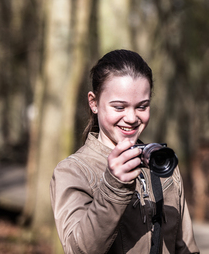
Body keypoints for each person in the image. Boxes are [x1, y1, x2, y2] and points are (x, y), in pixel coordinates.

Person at [50, 49, 200, 254]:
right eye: (119, 107)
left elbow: (186, 248)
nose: (131, 118)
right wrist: (114, 187)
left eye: (142, 106)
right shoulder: (72, 172)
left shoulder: (163, 164)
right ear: (94, 103)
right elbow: (78, 250)